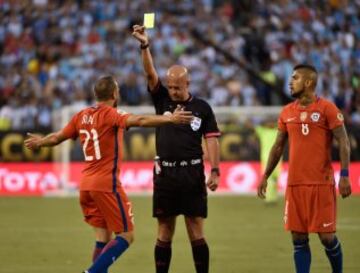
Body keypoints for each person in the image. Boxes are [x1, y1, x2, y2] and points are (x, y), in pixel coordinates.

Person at [24, 75, 193, 273]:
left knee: (103, 238)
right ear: (114, 93)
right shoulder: (111, 114)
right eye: (118, 90)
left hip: (86, 184)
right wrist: (170, 118)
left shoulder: (81, 115)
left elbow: (58, 137)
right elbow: (139, 119)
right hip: (106, 184)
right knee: (126, 235)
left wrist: (41, 142)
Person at [132, 25, 221, 273]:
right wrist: (144, 45)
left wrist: (215, 170)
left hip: (192, 174)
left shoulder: (203, 108)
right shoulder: (162, 99)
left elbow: (212, 139)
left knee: (195, 229)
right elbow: (150, 74)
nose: (172, 91)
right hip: (165, 174)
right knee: (164, 230)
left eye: (177, 87)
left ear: (188, 82)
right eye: (170, 87)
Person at [257, 64, 352, 273]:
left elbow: (344, 141)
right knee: (298, 237)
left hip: (321, 183)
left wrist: (345, 175)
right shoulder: (286, 112)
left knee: (327, 238)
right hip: (295, 184)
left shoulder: (327, 108)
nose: (290, 82)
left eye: (295, 78)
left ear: (308, 82)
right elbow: (278, 146)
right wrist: (265, 175)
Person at [255, 118, 281, 204]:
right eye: (268, 122)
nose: (270, 124)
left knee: (275, 179)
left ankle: (273, 197)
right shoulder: (263, 132)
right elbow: (254, 127)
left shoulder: (278, 131)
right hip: (266, 159)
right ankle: (270, 199)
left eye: (272, 122)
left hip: (277, 159)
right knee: (268, 179)